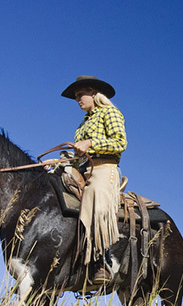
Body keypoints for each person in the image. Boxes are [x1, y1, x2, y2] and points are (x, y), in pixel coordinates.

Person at [61, 75, 127, 285]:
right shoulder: (82, 125)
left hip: (104, 168)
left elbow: (120, 142)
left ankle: (101, 259)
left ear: (93, 93)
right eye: (75, 96)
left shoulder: (111, 112)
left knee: (94, 196)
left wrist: (91, 143)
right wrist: (59, 162)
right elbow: (78, 155)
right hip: (83, 168)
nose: (77, 99)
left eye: (80, 94)